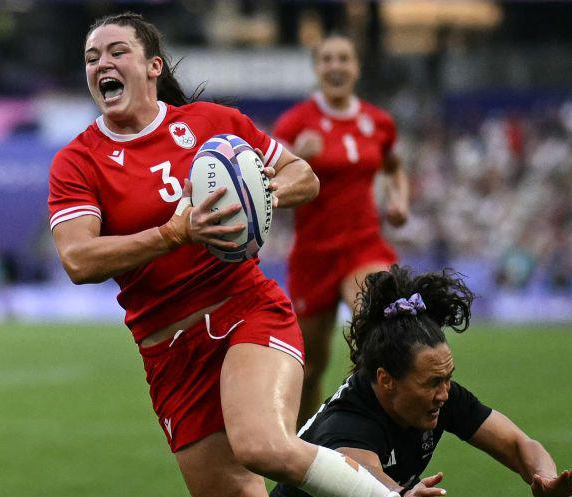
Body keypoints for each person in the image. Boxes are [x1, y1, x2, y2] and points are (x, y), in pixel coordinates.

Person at [49, 13, 406, 497]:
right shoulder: (78, 161)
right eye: (92, 58)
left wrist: (264, 192)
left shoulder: (212, 124)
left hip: (245, 311)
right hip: (169, 354)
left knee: (262, 446)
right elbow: (78, 259)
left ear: (153, 66)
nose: (102, 64)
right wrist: (173, 233)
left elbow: (304, 175)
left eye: (116, 52)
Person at [271, 266, 572, 497]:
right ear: (386, 380)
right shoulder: (347, 428)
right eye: (432, 383)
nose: (444, 394)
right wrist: (401, 494)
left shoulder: (437, 396)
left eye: (447, 379)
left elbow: (518, 445)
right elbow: (370, 482)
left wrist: (546, 478)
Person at [272, 35, 410, 426]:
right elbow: (269, 184)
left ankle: (375, 432)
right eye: (327, 59)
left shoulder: (378, 122)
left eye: (344, 59)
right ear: (317, 69)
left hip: (363, 245)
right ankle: (301, 450)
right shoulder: (295, 123)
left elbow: (394, 166)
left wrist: (399, 201)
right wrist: (298, 157)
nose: (336, 66)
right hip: (314, 255)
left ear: (356, 67)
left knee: (376, 327)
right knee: (311, 366)